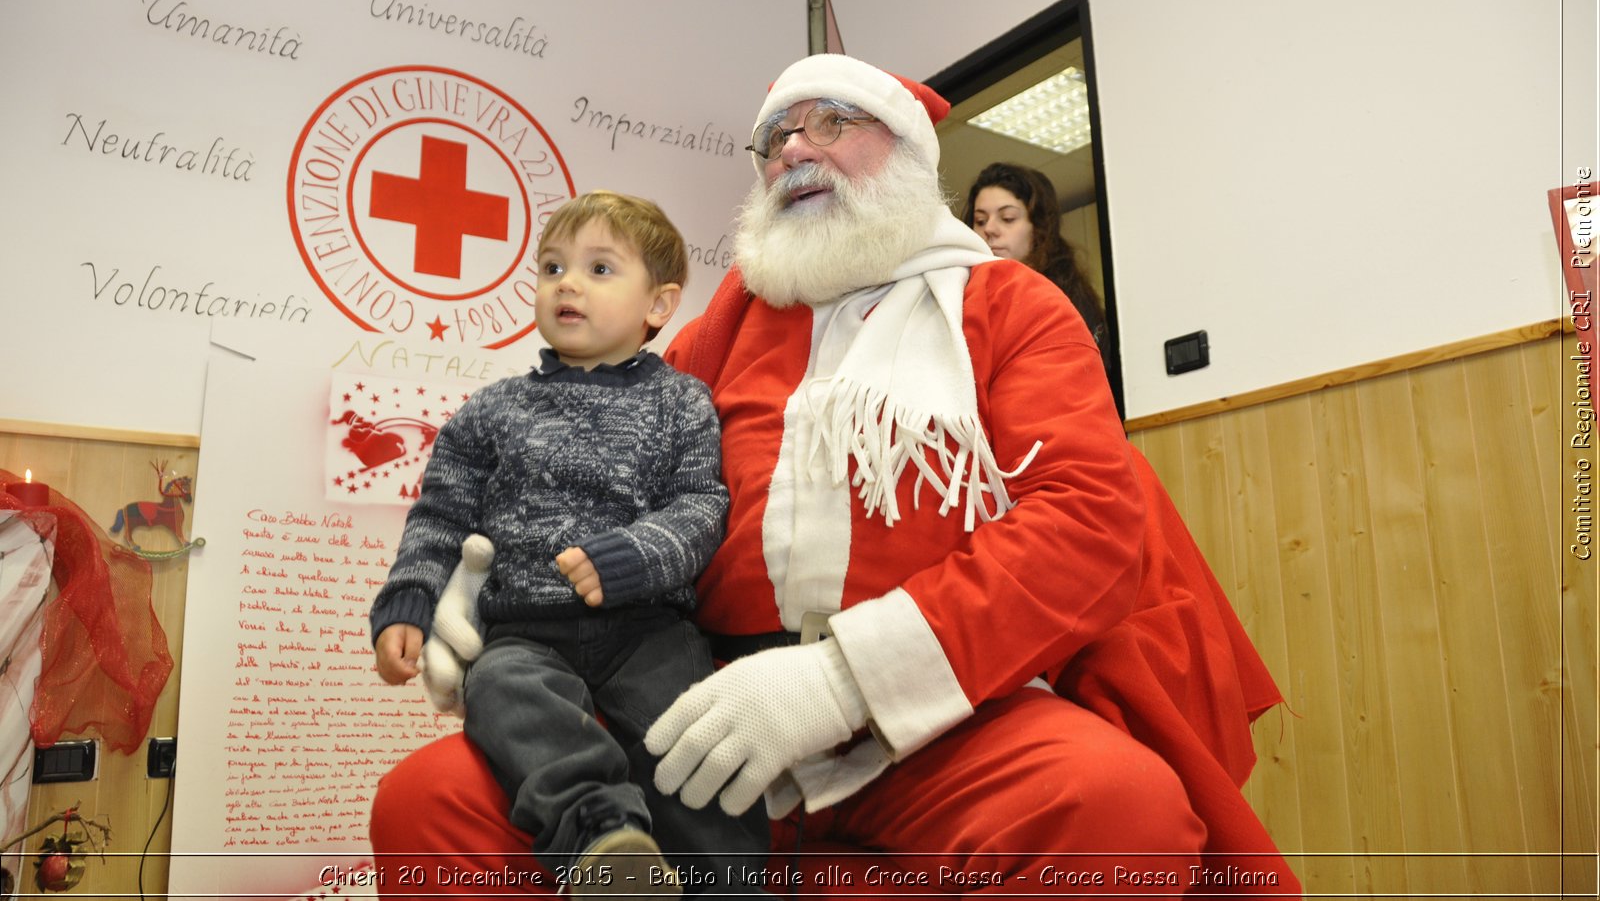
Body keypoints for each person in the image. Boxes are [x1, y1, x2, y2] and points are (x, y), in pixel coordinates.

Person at [369, 57, 1300, 898]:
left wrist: (843, 682)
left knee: (1116, 811)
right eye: (776, 136)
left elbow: (1090, 526)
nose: (794, 152)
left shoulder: (1014, 308)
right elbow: (603, 475)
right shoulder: (716, 332)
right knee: (429, 803)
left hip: (938, 717)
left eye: (832, 124)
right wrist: (486, 593)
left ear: (908, 153)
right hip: (700, 699)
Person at [369, 191, 767, 897]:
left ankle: (731, 884)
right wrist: (409, 601)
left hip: (647, 624)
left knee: (692, 738)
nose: (567, 284)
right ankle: (603, 841)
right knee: (501, 691)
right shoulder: (492, 409)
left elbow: (701, 507)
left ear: (659, 304)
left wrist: (632, 556)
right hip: (527, 629)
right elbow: (439, 515)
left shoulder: (681, 403)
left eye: (599, 268)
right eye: (552, 266)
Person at [963, 161, 1111, 362]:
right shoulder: (961, 296)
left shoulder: (1070, 302)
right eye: (980, 221)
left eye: (1007, 218)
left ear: (1039, 229)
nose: (989, 229)